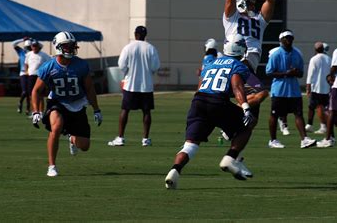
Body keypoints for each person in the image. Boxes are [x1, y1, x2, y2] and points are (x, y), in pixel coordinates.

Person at [164, 34, 256, 189]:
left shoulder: (211, 63)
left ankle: (175, 170)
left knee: (190, 145)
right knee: (247, 127)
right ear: (241, 48)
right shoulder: (238, 65)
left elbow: (200, 86)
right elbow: (237, 86)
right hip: (217, 102)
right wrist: (246, 108)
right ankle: (230, 158)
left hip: (198, 102)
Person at [30, 31, 103, 177]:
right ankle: (52, 166)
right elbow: (36, 91)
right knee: (56, 127)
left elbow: (89, 88)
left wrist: (96, 109)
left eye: (71, 46)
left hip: (77, 103)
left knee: (84, 146)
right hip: (58, 101)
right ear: (57, 47)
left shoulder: (81, 65)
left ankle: (71, 137)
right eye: (66, 46)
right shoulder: (48, 67)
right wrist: (36, 111)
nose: (70, 48)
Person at [108, 26, 160, 147]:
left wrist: (127, 73)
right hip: (146, 85)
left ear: (135, 34)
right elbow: (155, 67)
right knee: (146, 111)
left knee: (125, 110)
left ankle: (120, 138)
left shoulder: (128, 47)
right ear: (145, 35)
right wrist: (148, 73)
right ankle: (145, 139)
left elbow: (121, 65)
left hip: (130, 85)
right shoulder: (151, 48)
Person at [265, 30, 317, 149]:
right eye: (286, 38)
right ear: (281, 40)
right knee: (274, 115)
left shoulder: (297, 54)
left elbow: (301, 73)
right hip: (279, 90)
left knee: (298, 114)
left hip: (293, 90)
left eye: (291, 38)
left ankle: (304, 139)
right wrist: (286, 73)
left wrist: (295, 72)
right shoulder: (276, 54)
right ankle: (273, 140)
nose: (289, 40)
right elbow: (269, 72)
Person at [223, 0, 275, 73]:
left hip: (250, 57)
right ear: (240, 3)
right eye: (249, 3)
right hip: (234, 55)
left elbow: (270, 1)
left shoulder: (259, 20)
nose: (253, 6)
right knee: (249, 86)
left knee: (248, 85)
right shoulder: (232, 17)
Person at [305, 41, 332, 135]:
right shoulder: (329, 59)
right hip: (326, 88)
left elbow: (310, 74)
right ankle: (324, 126)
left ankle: (314, 125)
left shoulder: (314, 59)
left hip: (316, 87)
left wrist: (308, 87)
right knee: (324, 108)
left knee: (314, 107)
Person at [25, 39, 51, 113]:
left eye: (36, 46)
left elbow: (49, 62)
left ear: (39, 47)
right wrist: (26, 71)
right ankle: (34, 112)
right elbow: (26, 63)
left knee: (40, 95)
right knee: (31, 95)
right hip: (31, 76)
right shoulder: (29, 54)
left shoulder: (43, 54)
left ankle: (41, 112)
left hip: (40, 76)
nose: (34, 47)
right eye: (33, 46)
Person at [12, 37, 32, 114]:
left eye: (29, 47)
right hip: (23, 73)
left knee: (29, 93)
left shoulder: (33, 53)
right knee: (24, 92)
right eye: (27, 47)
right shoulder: (21, 52)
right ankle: (20, 103)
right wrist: (22, 40)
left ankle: (28, 108)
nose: (28, 48)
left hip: (30, 73)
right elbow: (13, 43)